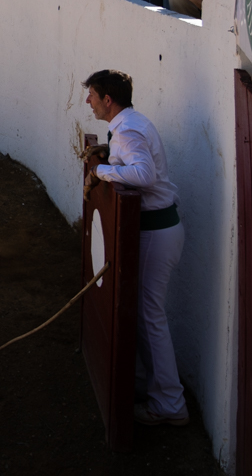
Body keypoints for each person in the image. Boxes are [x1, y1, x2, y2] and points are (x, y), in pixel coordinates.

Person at [82, 69, 187, 427]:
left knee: (150, 315)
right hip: (159, 229)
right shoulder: (131, 124)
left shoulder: (126, 131)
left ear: (107, 100)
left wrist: (101, 172)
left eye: (92, 95)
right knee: (146, 313)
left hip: (156, 232)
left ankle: (170, 404)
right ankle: (151, 387)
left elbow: (144, 175)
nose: (88, 101)